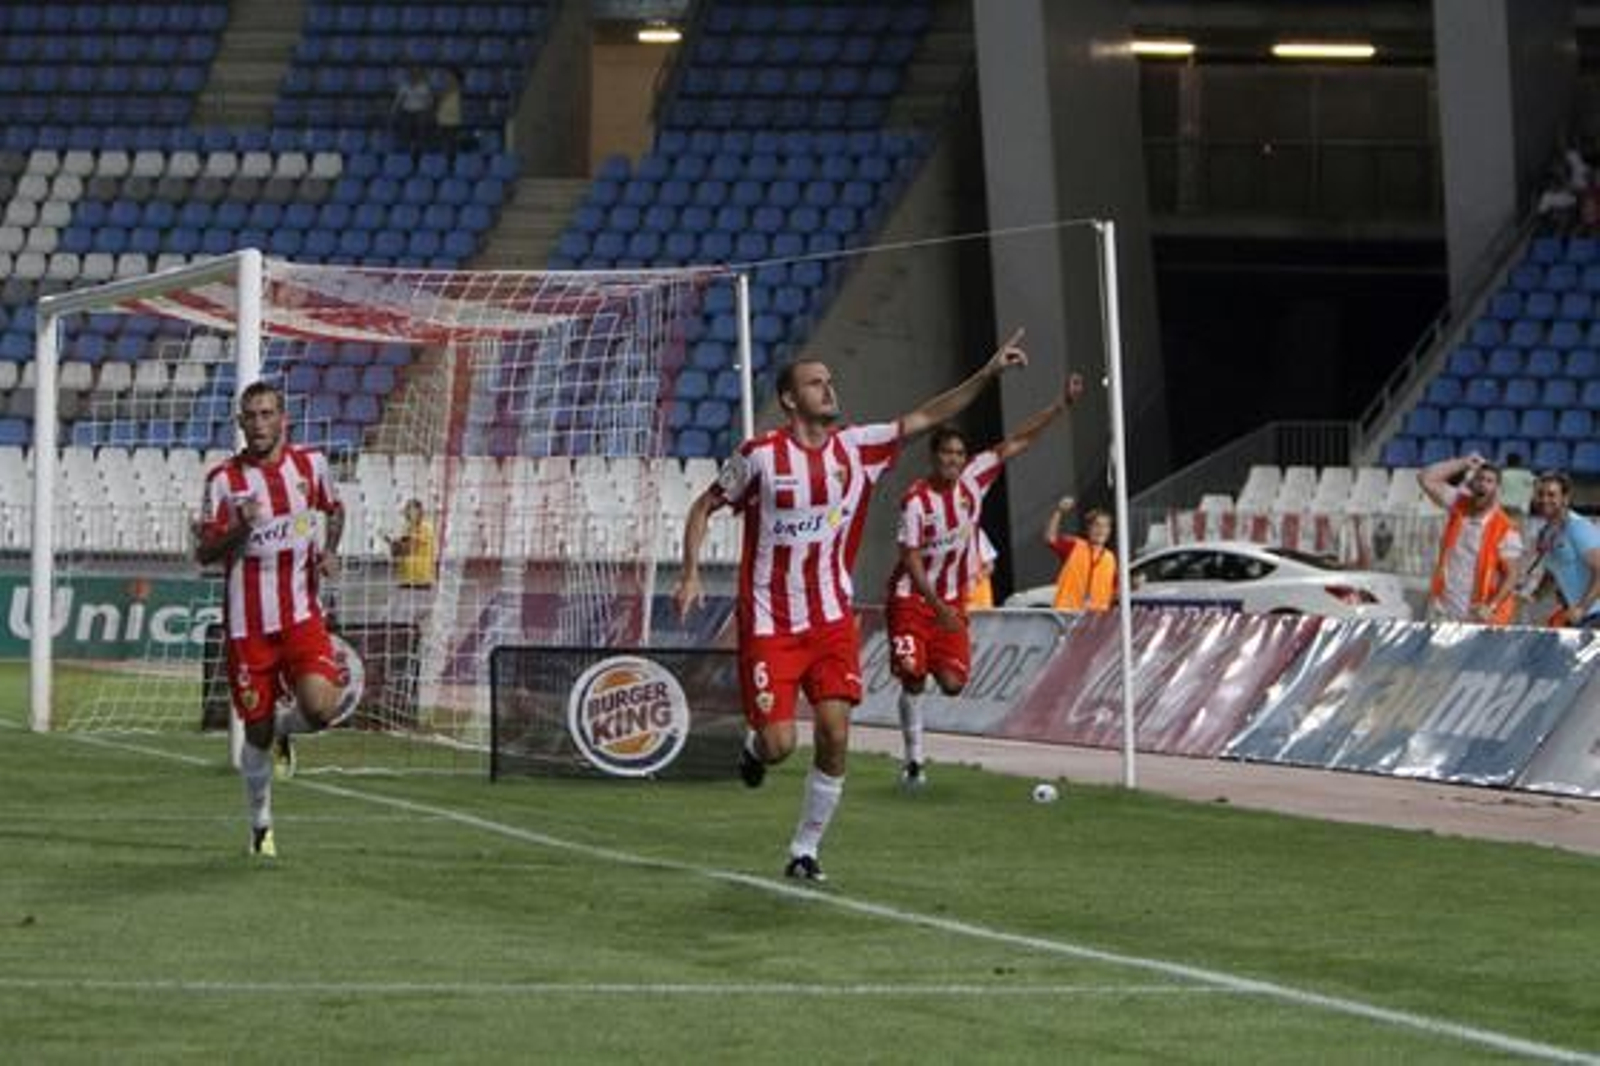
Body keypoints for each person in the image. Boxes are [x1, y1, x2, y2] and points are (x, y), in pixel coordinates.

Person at [675, 330, 1032, 882]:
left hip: (831, 620)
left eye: (830, 380)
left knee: (836, 732)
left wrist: (986, 374)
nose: (828, 388)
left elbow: (926, 416)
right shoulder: (760, 457)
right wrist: (690, 571)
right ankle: (755, 747)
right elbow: (704, 506)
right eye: (815, 383)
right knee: (779, 744)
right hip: (770, 622)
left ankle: (805, 850)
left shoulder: (858, 448)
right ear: (791, 399)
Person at [886, 374, 1084, 789]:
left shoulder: (976, 478)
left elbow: (1019, 440)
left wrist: (1060, 405)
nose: (954, 460)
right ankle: (914, 762)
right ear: (934, 456)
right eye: (947, 453)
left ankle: (927, 678)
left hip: (951, 599)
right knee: (912, 675)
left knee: (953, 683)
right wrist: (935, 605)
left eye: (960, 454)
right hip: (912, 598)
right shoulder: (916, 500)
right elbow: (910, 557)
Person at [193, 382, 348, 857]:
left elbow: (334, 510)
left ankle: (287, 729)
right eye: (251, 416)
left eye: (267, 414)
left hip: (301, 616)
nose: (259, 424)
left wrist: (330, 550)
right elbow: (204, 552)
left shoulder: (310, 466)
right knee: (255, 732)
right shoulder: (223, 480)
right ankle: (261, 826)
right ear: (240, 423)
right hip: (248, 628)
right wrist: (240, 526)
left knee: (321, 710)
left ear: (283, 419)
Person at [1417, 453, 1521, 624]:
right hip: (1442, 608)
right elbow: (1425, 478)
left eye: (1489, 481)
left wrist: (1491, 607)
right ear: (1472, 484)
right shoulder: (1458, 503)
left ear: (1497, 489)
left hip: (1475, 615)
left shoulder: (1506, 528)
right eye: (1479, 479)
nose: (1483, 484)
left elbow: (1512, 575)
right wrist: (1463, 463)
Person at [1524, 471, 1600, 627]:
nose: (1544, 499)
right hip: (1580, 617)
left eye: (1551, 495)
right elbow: (1553, 571)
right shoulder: (1545, 533)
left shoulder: (1578, 527)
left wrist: (1581, 608)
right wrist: (1534, 596)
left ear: (1565, 498)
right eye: (1540, 494)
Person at [1044, 498, 1116, 611]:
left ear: (1109, 530)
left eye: (1105, 526)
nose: (1101, 530)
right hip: (1068, 613)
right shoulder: (1075, 545)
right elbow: (1050, 539)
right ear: (1088, 529)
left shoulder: (1110, 558)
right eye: (1096, 525)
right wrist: (1059, 511)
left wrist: (1133, 585)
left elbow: (1115, 589)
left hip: (1096, 615)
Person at [386, 498, 436, 621]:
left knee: (410, 620)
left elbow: (408, 547)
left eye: (411, 510)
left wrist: (394, 544)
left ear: (420, 512)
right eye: (407, 510)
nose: (407, 514)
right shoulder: (407, 529)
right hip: (406, 582)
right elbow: (397, 553)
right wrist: (392, 545)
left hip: (421, 584)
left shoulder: (425, 529)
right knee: (397, 619)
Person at [391, 67, 436, 154]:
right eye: (413, 74)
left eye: (417, 74)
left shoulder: (424, 86)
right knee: (405, 122)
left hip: (421, 111)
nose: (414, 76)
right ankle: (409, 145)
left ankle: (419, 145)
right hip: (407, 111)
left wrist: (431, 111)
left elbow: (430, 102)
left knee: (422, 121)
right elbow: (398, 101)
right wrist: (394, 111)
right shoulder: (404, 86)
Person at [964, 531, 998, 612]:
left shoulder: (977, 534)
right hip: (960, 602)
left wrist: (977, 577)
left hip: (979, 599)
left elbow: (990, 566)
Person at [1499, 452, 1535, 517]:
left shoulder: (1501, 474)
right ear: (1519, 463)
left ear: (1507, 462)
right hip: (1522, 509)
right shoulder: (1527, 474)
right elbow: (1537, 485)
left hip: (1505, 508)